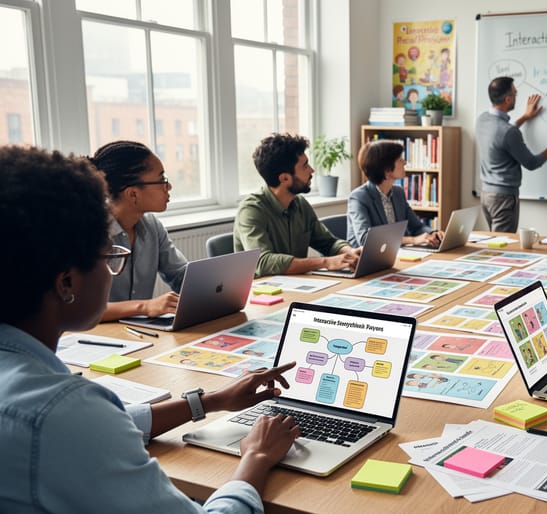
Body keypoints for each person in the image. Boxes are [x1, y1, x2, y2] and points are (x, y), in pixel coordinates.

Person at [0, 146, 301, 513]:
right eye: (109, 255)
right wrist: (256, 456)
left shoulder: (41, 398)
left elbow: (108, 423)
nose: (113, 267)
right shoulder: (62, 412)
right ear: (66, 282)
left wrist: (211, 401)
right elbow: (78, 425)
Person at [234, 133, 360, 276]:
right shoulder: (251, 210)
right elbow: (263, 262)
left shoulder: (299, 203)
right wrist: (326, 262)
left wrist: (350, 253)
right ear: (285, 178)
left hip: (298, 285)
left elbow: (328, 242)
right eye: (305, 166)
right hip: (263, 292)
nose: (312, 170)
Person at [89, 141, 188, 322]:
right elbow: (83, 308)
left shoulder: (152, 226)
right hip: (98, 338)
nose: (169, 187)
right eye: (161, 180)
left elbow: (182, 276)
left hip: (141, 334)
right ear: (133, 194)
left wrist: (219, 285)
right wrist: (145, 306)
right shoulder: (89, 233)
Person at [476, 76, 547, 233]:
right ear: (508, 99)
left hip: (486, 195)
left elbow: (502, 135)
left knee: (495, 244)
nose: (516, 97)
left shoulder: (482, 120)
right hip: (503, 198)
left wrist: (525, 117)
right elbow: (531, 163)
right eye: (515, 94)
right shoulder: (509, 132)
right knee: (502, 246)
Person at [347, 140, 444, 248]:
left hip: (398, 254)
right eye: (399, 159)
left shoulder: (398, 192)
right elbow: (365, 239)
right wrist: (412, 240)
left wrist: (432, 234)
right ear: (387, 169)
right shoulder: (359, 197)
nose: (405, 162)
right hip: (367, 260)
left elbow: (417, 227)